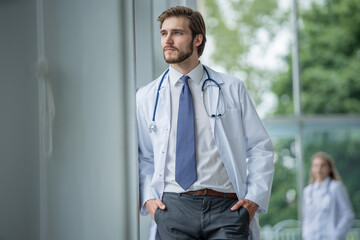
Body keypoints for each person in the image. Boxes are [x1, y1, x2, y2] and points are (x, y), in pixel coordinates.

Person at [136, 6, 274, 240]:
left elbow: (260, 148)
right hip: (172, 209)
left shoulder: (231, 88)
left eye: (177, 33)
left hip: (226, 208)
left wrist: (252, 201)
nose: (167, 40)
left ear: (197, 39)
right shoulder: (147, 96)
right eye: (163, 33)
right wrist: (150, 201)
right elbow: (145, 156)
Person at [302, 152, 354, 240]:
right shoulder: (307, 191)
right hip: (311, 237)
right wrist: (306, 234)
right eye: (316, 165)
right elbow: (306, 217)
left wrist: (337, 235)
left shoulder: (336, 187)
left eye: (323, 165)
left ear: (330, 168)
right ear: (312, 169)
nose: (319, 169)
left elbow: (348, 214)